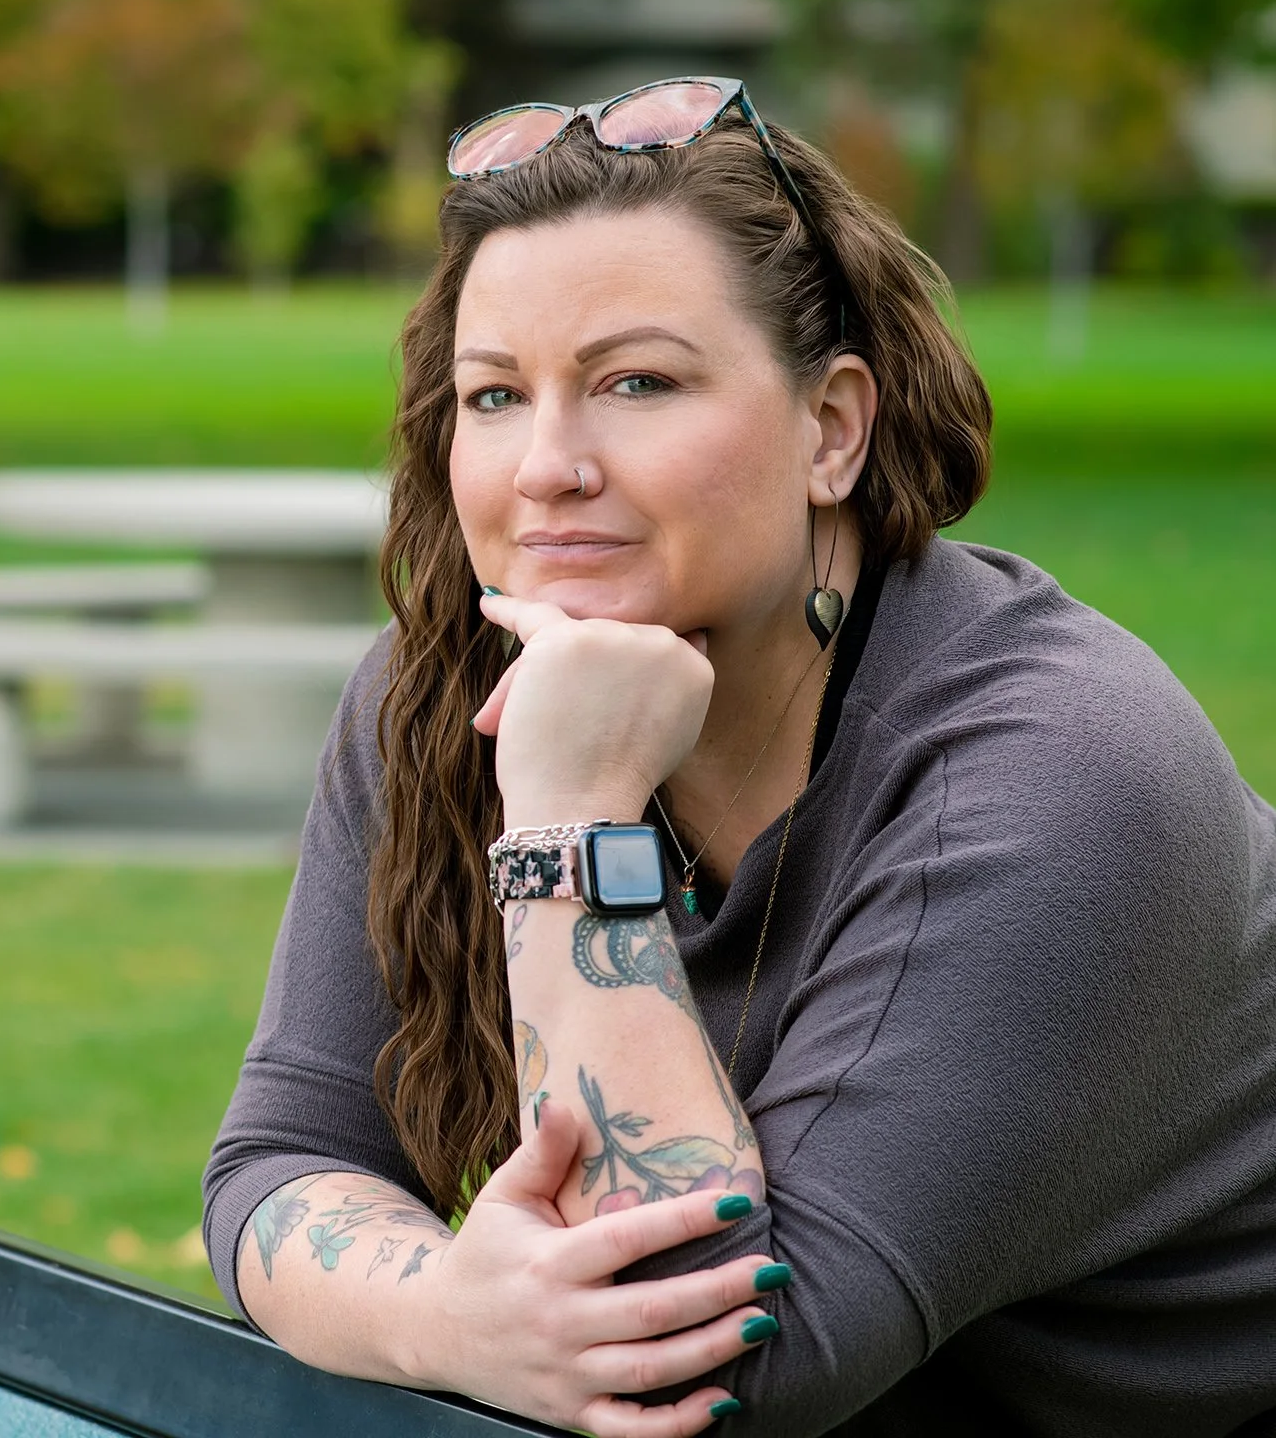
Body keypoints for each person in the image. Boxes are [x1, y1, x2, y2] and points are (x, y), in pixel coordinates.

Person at [200, 77, 1276, 1438]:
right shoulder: (436, 704)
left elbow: (719, 1372)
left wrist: (572, 813)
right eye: (495, 395)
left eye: (637, 383)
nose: (546, 467)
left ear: (832, 429)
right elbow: (280, 1158)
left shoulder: (1056, 774)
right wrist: (448, 1314)